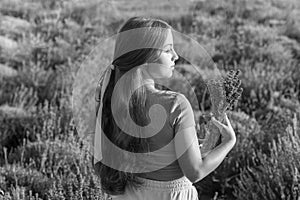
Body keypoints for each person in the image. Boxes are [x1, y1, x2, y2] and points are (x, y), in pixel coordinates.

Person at [93, 16, 236, 200]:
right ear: (146, 56)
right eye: (168, 50)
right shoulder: (175, 104)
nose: (176, 56)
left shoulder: (109, 98)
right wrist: (227, 143)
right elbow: (195, 172)